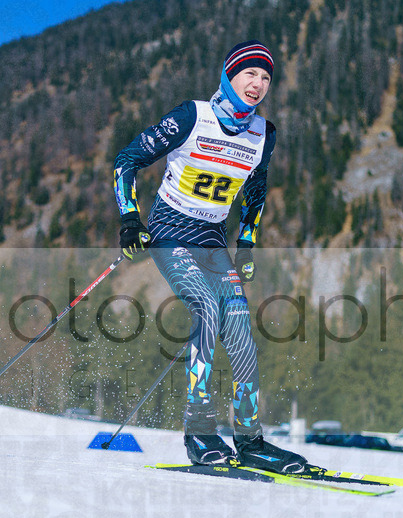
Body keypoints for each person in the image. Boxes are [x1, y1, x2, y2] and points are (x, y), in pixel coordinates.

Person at [112, 40, 316, 474]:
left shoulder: (264, 134)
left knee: (240, 329)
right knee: (206, 307)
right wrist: (130, 218)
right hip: (169, 231)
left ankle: (250, 440)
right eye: (250, 73)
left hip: (212, 241)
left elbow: (256, 190)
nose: (258, 83)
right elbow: (127, 160)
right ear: (229, 75)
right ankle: (199, 431)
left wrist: (247, 243)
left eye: (266, 77)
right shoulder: (192, 116)